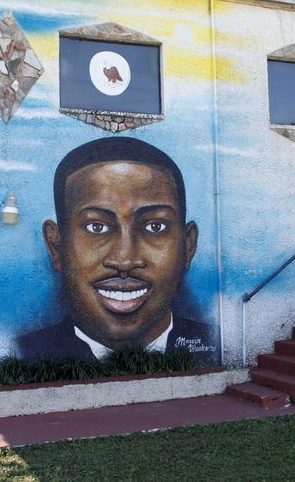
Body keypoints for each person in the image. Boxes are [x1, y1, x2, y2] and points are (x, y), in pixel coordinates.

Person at [17, 137, 218, 365]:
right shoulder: (23, 354)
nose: (125, 260)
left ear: (188, 246)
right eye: (97, 227)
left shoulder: (216, 343)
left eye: (155, 226)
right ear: (56, 246)